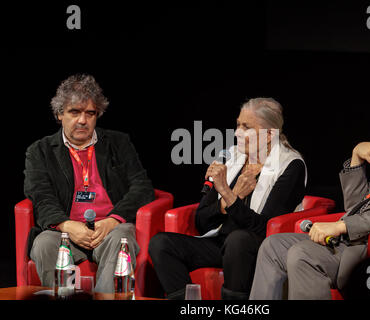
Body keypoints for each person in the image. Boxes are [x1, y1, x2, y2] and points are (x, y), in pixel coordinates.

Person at [250, 97, 370, 299]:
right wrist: (355, 159)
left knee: (302, 254)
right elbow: (357, 205)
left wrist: (342, 226)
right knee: (272, 246)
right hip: (352, 239)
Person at [149, 97, 307, 299]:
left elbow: (265, 228)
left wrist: (228, 194)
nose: (237, 133)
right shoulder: (230, 156)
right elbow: (202, 220)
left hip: (259, 248)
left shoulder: (290, 165)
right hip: (221, 243)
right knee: (161, 244)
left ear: (269, 135)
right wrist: (232, 196)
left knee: (238, 240)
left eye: (246, 127)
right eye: (238, 125)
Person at [24, 74, 154, 293]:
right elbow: (41, 196)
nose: (83, 120)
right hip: (65, 230)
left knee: (122, 238)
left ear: (97, 115)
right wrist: (67, 226)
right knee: (44, 243)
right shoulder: (40, 151)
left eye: (90, 113)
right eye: (74, 112)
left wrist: (113, 220)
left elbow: (142, 187)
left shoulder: (118, 143)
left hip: (110, 229)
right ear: (59, 114)